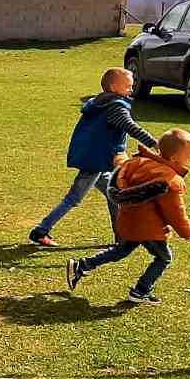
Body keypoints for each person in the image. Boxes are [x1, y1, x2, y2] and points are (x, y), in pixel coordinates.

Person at [66, 128, 190, 305]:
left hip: (128, 220)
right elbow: (175, 211)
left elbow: (120, 177)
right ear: (175, 158)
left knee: (121, 250)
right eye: (189, 156)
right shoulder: (169, 180)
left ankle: (81, 265)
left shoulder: (138, 163)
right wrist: (186, 231)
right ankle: (141, 290)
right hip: (150, 228)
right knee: (164, 258)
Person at [30, 67, 157, 248]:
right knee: (74, 198)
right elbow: (131, 127)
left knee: (115, 195)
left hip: (98, 159)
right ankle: (41, 230)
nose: (131, 90)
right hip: (97, 161)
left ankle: (122, 237)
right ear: (114, 87)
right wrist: (154, 143)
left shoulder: (99, 102)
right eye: (128, 87)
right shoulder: (115, 107)